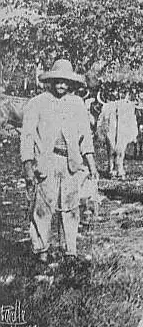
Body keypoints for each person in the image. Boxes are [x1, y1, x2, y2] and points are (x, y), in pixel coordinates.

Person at [20, 59, 98, 263]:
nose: (61, 86)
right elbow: (27, 136)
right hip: (46, 161)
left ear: (71, 83)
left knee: (71, 208)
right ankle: (41, 250)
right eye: (57, 81)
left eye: (65, 82)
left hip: (70, 162)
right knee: (43, 206)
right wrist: (28, 165)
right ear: (50, 81)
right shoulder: (37, 103)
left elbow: (85, 137)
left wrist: (91, 164)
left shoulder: (77, 104)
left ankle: (70, 250)